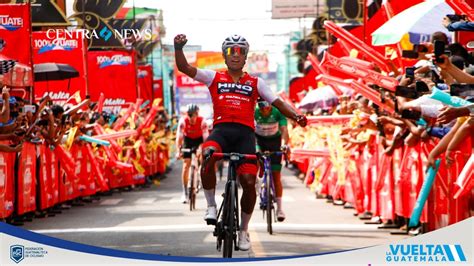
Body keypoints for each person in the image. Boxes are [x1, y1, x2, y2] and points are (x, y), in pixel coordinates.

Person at [174, 33, 307, 251]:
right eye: (230, 51)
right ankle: (210, 205)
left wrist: (297, 116)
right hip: (221, 132)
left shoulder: (257, 82)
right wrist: (178, 48)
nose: (235, 55)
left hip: (245, 136)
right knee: (207, 154)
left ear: (245, 56)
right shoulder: (213, 77)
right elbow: (185, 68)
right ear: (224, 56)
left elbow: (278, 103)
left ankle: (244, 230)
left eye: (240, 51)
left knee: (248, 181)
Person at [254, 99, 290, 221]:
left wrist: (285, 144)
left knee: (276, 176)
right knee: (256, 160)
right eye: (263, 108)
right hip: (259, 141)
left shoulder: (277, 112)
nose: (265, 111)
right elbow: (249, 131)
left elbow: (284, 129)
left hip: (275, 142)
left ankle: (280, 209)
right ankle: (258, 182)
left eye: (268, 108)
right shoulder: (254, 112)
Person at [175, 104, 208, 203]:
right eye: (189, 115)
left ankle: (200, 175)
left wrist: (202, 149)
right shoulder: (183, 121)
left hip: (199, 140)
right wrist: (178, 151)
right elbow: (179, 138)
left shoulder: (202, 121)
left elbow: (206, 139)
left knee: (202, 157)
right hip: (188, 140)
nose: (191, 117)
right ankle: (185, 192)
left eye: (193, 115)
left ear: (197, 114)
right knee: (186, 164)